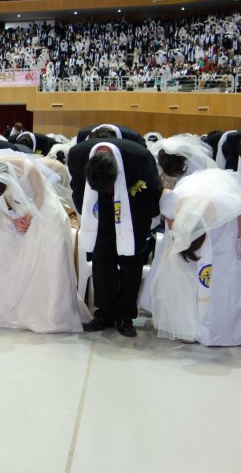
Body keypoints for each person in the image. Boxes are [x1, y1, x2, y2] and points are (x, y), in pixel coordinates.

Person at [141, 169, 241, 346]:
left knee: (220, 274)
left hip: (226, 227)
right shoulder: (173, 207)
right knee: (186, 273)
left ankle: (217, 324)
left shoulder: (223, 204)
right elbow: (171, 218)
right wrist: (178, 240)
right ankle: (190, 324)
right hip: (192, 217)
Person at [0, 152, 88, 333]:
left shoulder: (28, 167)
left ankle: (44, 312)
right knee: (1, 248)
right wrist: (12, 217)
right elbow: (1, 197)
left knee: (45, 251)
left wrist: (27, 217)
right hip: (12, 210)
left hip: (41, 208)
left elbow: (40, 195)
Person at [68, 136, 162, 337]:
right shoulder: (77, 156)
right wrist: (86, 213)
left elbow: (154, 189)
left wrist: (152, 218)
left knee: (131, 261)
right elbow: (77, 186)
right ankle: (104, 313)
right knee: (101, 258)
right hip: (98, 210)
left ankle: (125, 316)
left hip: (134, 209)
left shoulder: (139, 157)